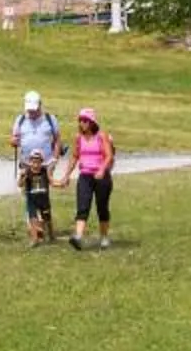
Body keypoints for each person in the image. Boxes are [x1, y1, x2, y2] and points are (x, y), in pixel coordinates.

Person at [10, 92, 63, 247]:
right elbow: (14, 139)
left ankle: (42, 225)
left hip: (45, 164)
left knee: (42, 194)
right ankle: (36, 226)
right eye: (29, 110)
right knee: (29, 195)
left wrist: (54, 159)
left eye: (34, 109)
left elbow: (58, 139)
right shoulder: (20, 120)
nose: (31, 112)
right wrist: (13, 141)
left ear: (40, 105)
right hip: (26, 163)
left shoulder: (49, 119)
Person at [68, 107, 115, 251]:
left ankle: (104, 237)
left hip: (101, 176)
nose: (82, 123)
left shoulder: (101, 136)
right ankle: (78, 237)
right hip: (85, 175)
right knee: (82, 206)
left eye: (85, 121)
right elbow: (75, 156)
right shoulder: (78, 138)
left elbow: (109, 156)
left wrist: (101, 169)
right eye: (80, 120)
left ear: (92, 122)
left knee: (102, 207)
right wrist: (66, 175)